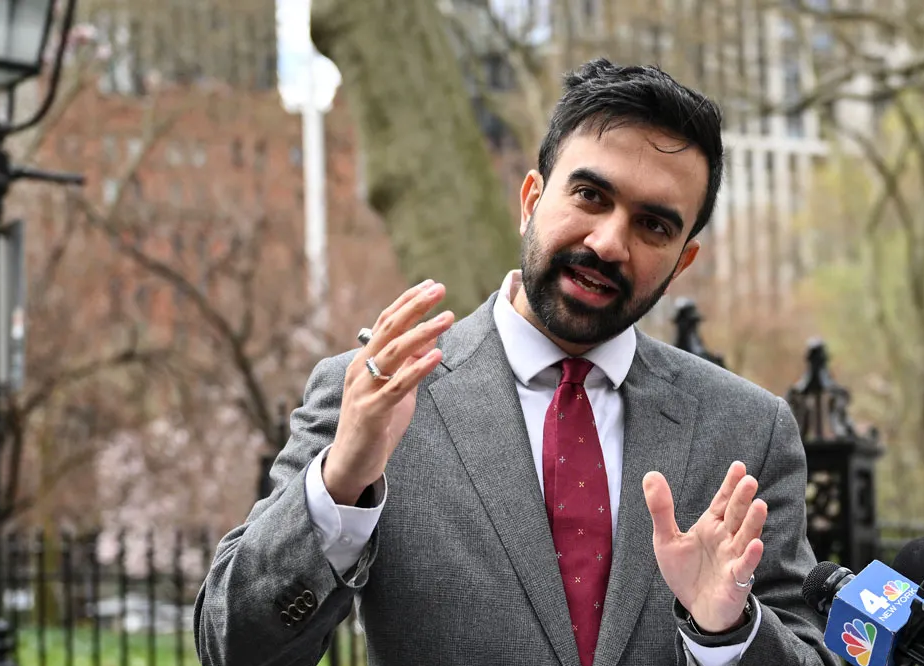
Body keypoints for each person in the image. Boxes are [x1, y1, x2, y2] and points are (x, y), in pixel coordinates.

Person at [193, 58, 837, 666]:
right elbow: (233, 648)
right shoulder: (374, 395)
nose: (609, 243)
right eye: (590, 195)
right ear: (531, 199)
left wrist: (729, 631)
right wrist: (339, 485)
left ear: (682, 262)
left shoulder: (748, 430)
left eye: (654, 227)